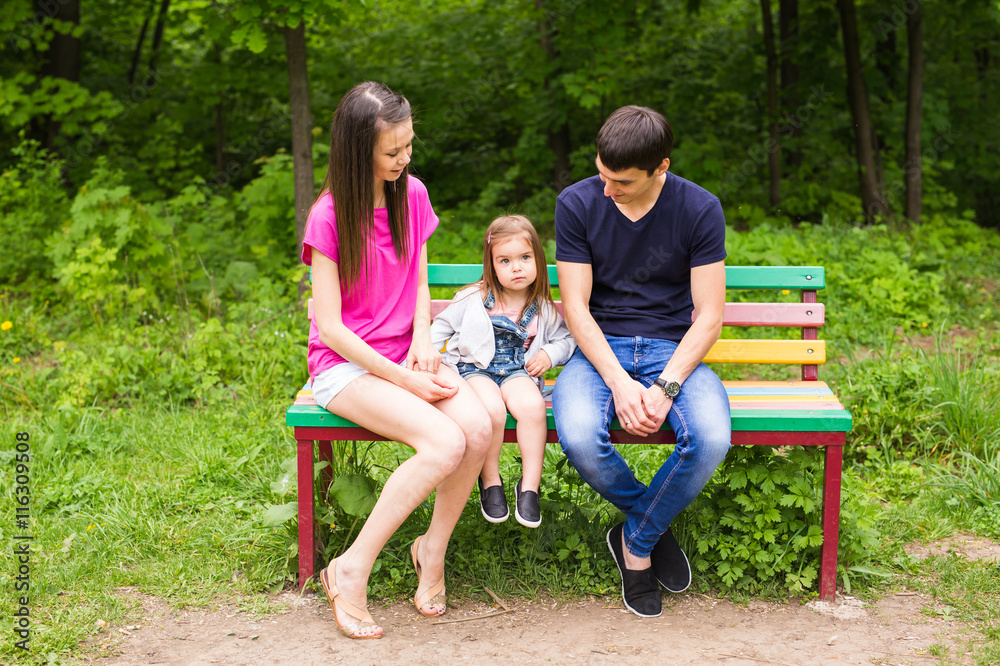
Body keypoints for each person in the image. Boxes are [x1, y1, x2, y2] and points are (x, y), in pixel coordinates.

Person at [303, 81, 491, 639]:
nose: (405, 157)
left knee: (478, 429)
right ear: (359, 151)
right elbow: (331, 328)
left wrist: (423, 341)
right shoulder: (328, 216)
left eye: (410, 145)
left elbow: (417, 278)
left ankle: (430, 552)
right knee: (445, 442)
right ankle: (350, 568)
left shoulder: (412, 194)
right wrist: (403, 378)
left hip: (405, 355)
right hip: (346, 368)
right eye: (393, 151)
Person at [552, 105, 732, 618]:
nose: (608, 190)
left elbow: (710, 317)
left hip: (672, 350)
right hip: (598, 351)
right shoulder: (577, 202)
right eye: (603, 175)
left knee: (712, 438)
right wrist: (619, 382)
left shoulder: (699, 209)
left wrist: (666, 386)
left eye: (622, 182)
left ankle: (635, 543)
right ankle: (651, 524)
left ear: (662, 168)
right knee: (582, 435)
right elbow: (576, 309)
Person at [430, 215, 576, 528]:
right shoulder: (475, 298)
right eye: (505, 260)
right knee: (493, 409)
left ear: (537, 258)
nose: (517, 267)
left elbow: (567, 339)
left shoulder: (542, 306)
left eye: (525, 258)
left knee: (533, 407)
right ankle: (491, 480)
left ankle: (529, 488)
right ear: (492, 264)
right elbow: (440, 326)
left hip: (517, 372)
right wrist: (430, 355)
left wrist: (550, 354)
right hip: (477, 371)